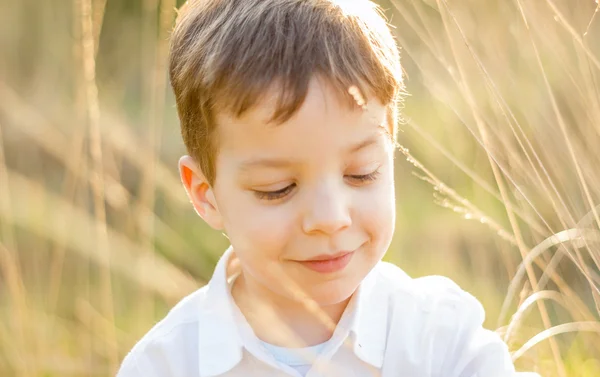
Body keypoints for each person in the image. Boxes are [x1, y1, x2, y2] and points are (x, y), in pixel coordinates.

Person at [117, 0, 540, 376]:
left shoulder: (441, 341)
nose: (330, 218)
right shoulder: (166, 364)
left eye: (362, 173)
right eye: (277, 188)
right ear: (205, 194)